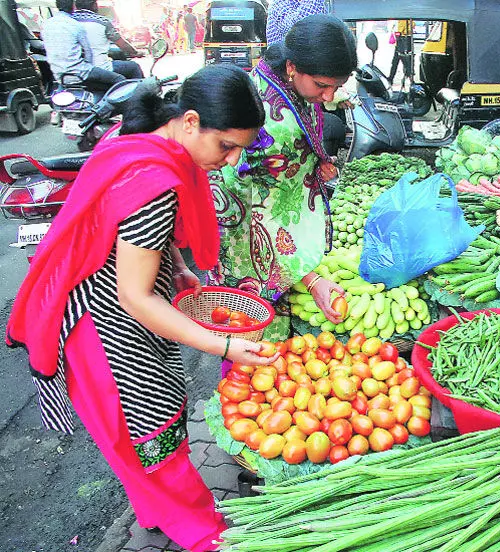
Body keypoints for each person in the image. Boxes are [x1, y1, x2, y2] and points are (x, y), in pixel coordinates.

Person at [6, 64, 268, 552]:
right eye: (226, 146)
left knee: (135, 436)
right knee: (155, 431)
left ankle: (152, 511)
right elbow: (135, 295)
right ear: (190, 122)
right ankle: (202, 533)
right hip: (105, 328)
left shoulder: (143, 138)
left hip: (104, 308)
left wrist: (176, 266)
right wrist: (223, 344)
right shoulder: (156, 184)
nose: (231, 161)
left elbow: (131, 239)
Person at [209, 15, 357, 347]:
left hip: (280, 232)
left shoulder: (286, 81)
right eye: (322, 85)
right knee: (253, 343)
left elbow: (285, 167)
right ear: (293, 67)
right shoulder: (272, 125)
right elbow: (260, 210)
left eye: (337, 85)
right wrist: (311, 278)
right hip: (250, 246)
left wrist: (313, 166)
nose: (329, 95)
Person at [42, 0, 126, 91]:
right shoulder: (75, 24)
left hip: (59, 75)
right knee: (119, 79)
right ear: (73, 5)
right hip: (81, 73)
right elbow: (88, 53)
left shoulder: (46, 25)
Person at [72, 0, 144, 80]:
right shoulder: (102, 21)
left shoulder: (68, 20)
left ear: (75, 5)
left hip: (74, 70)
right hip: (99, 68)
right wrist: (135, 53)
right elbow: (122, 44)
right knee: (134, 67)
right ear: (94, 5)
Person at [389, 19, 414, 86]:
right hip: (401, 40)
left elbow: (407, 29)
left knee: (403, 62)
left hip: (403, 40)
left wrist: (400, 31)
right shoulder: (403, 20)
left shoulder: (404, 19)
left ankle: (391, 78)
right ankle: (391, 78)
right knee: (398, 62)